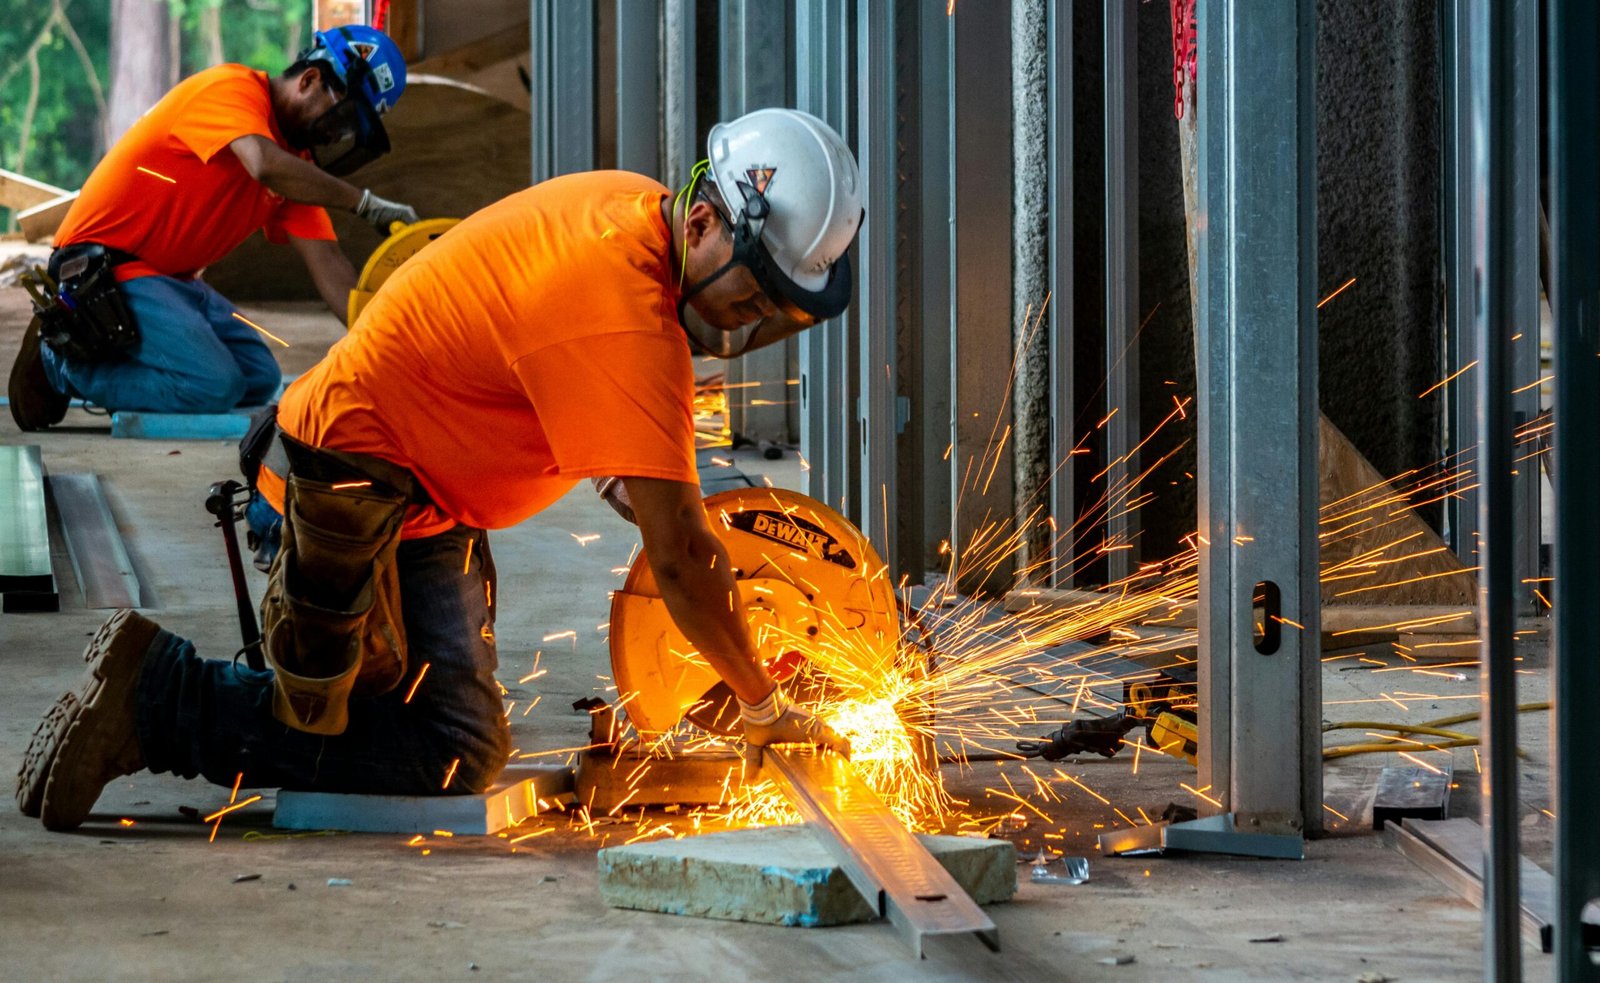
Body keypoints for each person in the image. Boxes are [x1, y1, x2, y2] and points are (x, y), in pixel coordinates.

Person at [16, 107, 865, 832]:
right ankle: (156, 702)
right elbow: (680, 556)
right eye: (750, 297)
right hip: (346, 490)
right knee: (442, 752)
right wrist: (762, 702)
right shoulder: (627, 314)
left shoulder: (626, 209)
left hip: (410, 485)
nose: (746, 323)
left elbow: (572, 396)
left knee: (448, 731)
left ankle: (174, 695)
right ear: (705, 222)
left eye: (770, 313)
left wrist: (638, 482)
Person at [7, 24, 421, 432]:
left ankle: (134, 354)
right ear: (310, 79)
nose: (339, 134)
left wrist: (390, 354)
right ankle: (59, 362)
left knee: (259, 380)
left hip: (170, 281)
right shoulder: (231, 91)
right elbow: (262, 163)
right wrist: (363, 204)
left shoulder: (296, 168)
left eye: (351, 130)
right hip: (103, 268)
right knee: (214, 385)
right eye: (345, 117)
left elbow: (330, 265)